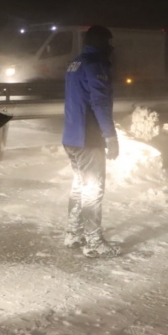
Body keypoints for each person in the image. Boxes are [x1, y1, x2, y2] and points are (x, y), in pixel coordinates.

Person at [62, 25, 120, 258]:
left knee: (79, 186)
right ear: (102, 42)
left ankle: (73, 233)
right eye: (109, 42)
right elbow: (100, 103)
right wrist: (110, 136)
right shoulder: (95, 65)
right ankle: (93, 241)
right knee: (93, 190)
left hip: (71, 137)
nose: (112, 47)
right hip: (89, 138)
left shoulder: (74, 63)